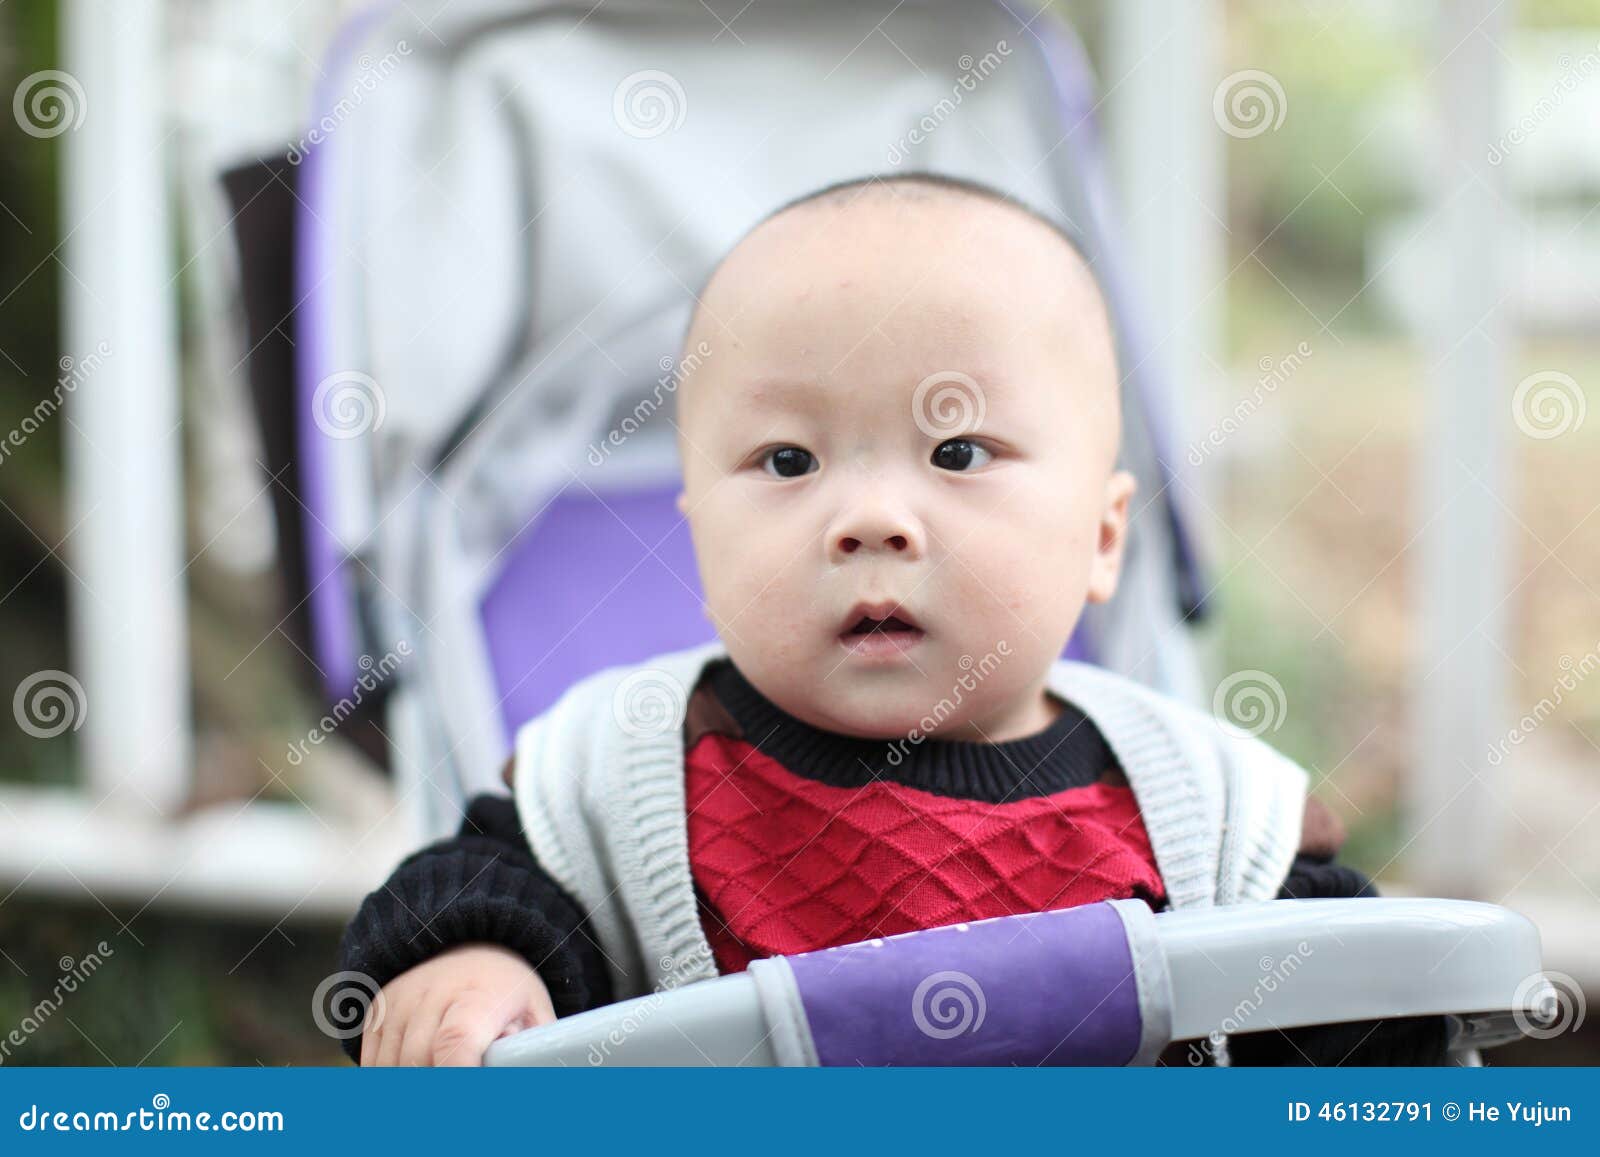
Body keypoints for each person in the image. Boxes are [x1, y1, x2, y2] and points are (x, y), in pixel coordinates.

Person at [336, 172, 1447, 1067]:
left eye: (957, 450)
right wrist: (477, 960)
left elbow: (1359, 1000)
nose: (869, 517)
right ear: (698, 538)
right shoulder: (622, 774)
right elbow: (475, 886)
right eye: (788, 460)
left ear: (1103, 536)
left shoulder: (1211, 815)